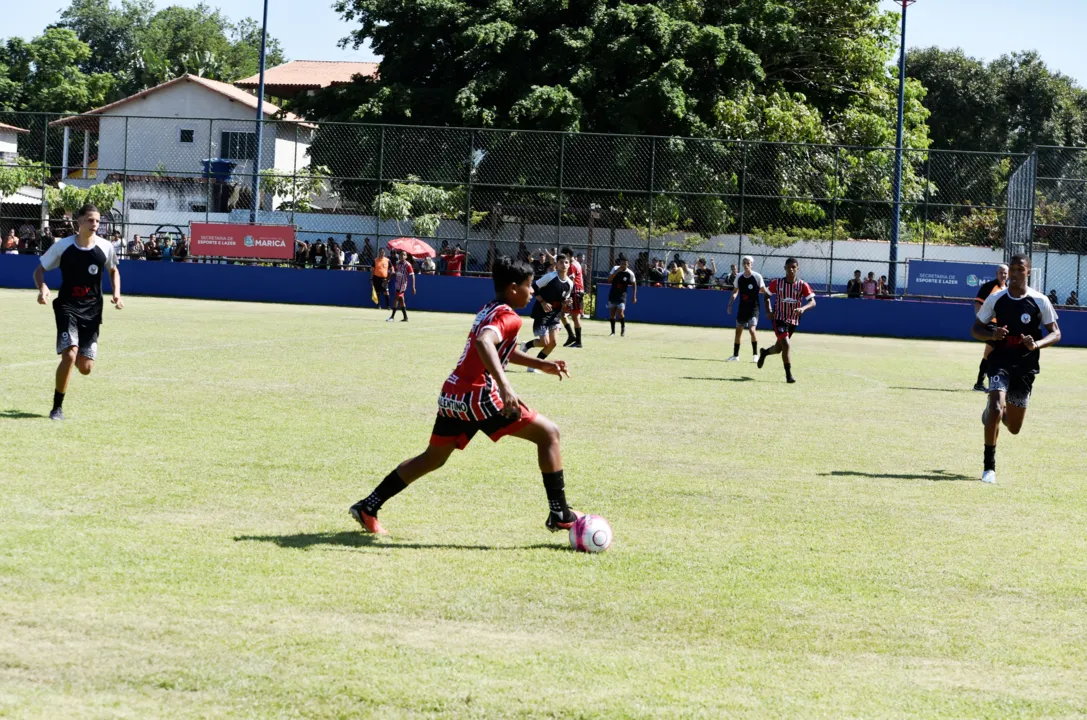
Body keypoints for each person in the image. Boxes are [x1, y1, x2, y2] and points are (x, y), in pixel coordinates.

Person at [348, 256, 580, 537]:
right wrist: (505, 385)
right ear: (513, 287)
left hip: (453, 393)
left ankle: (368, 506)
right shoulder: (509, 316)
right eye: (529, 286)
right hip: (478, 397)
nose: (532, 292)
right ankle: (560, 513)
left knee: (432, 458)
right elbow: (484, 343)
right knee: (549, 434)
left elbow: (494, 347)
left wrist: (542, 364)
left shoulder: (489, 309)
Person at [973, 254, 1060, 484]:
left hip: (1025, 367)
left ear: (1028, 272)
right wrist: (992, 334)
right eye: (1011, 269)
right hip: (1000, 361)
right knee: (994, 407)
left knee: (1013, 427)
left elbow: (1056, 332)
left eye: (1020, 269)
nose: (1014, 273)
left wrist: (1036, 344)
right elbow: (975, 329)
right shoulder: (997, 299)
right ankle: (988, 468)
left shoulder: (1039, 301)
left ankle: (997, 412)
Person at [33, 204, 123, 421]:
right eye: (91, 220)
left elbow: (114, 270)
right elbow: (39, 270)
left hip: (92, 310)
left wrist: (117, 294)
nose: (95, 225)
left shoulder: (105, 247)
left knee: (85, 367)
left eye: (98, 221)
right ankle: (57, 408)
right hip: (67, 306)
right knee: (70, 354)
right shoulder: (62, 246)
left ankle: (78, 356)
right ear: (79, 221)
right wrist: (43, 288)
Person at [757, 257, 816, 384]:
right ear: (784, 268)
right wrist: (768, 311)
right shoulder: (777, 283)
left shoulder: (802, 285)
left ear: (797, 268)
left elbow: (813, 302)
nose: (791, 269)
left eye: (794, 267)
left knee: (779, 349)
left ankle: (764, 353)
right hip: (779, 318)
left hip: (793, 320)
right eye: (789, 267)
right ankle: (789, 376)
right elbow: (766, 296)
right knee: (787, 345)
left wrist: (803, 308)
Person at [522, 253, 575, 370]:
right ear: (556, 264)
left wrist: (566, 302)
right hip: (541, 313)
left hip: (555, 315)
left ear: (569, 264)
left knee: (553, 343)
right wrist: (543, 302)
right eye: (561, 262)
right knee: (545, 343)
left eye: (566, 262)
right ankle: (526, 345)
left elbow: (563, 299)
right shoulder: (550, 277)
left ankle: (533, 366)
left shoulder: (570, 284)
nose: (564, 264)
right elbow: (534, 288)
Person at [972, 263, 1009, 392]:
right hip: (988, 324)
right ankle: (994, 384)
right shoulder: (989, 287)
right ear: (996, 274)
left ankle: (979, 384)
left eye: (1005, 273)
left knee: (988, 354)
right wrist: (981, 319)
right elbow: (977, 303)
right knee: (997, 349)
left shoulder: (1008, 288)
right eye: (1001, 272)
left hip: (999, 326)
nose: (1003, 275)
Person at [726, 256, 765, 363]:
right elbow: (735, 291)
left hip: (754, 308)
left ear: (752, 264)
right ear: (742, 264)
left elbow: (763, 290)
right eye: (744, 263)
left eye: (748, 263)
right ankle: (735, 356)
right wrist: (730, 304)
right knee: (738, 332)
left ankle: (755, 355)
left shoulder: (757, 277)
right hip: (742, 308)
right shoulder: (739, 277)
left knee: (752, 330)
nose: (746, 265)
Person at [561, 248, 586, 348]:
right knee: (562, 314)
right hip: (575, 292)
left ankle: (579, 342)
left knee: (575, 317)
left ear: (568, 254)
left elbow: (571, 279)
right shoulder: (575, 263)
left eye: (563, 255)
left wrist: (565, 292)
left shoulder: (572, 265)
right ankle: (571, 335)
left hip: (575, 292)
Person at [607, 255, 637, 336]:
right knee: (612, 314)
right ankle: (612, 332)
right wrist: (617, 272)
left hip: (622, 295)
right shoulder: (615, 269)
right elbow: (609, 280)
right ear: (620, 263)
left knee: (620, 312)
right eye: (622, 263)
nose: (623, 265)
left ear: (628, 264)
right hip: (613, 293)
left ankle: (623, 329)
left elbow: (634, 283)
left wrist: (634, 296)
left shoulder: (630, 273)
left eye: (625, 264)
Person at [387, 250, 415, 322]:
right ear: (399, 256)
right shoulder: (397, 263)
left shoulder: (408, 265)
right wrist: (388, 279)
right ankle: (405, 317)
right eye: (401, 255)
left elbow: (412, 275)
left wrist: (413, 287)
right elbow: (395, 273)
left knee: (396, 298)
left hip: (403, 284)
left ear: (406, 257)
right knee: (401, 300)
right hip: (397, 284)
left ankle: (392, 317)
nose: (402, 256)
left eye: (404, 255)